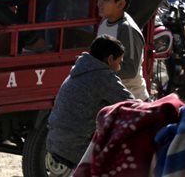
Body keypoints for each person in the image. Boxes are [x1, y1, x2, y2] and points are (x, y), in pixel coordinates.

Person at [45, 35, 134, 169]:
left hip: (54, 141)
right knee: (122, 164)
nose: (119, 68)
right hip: (76, 146)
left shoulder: (79, 70)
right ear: (110, 59)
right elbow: (131, 103)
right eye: (119, 62)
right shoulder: (103, 76)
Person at [95, 0, 148, 99]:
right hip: (111, 98)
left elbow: (130, 69)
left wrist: (99, 70)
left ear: (120, 4)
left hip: (131, 100)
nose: (99, 3)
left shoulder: (128, 30)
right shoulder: (105, 22)